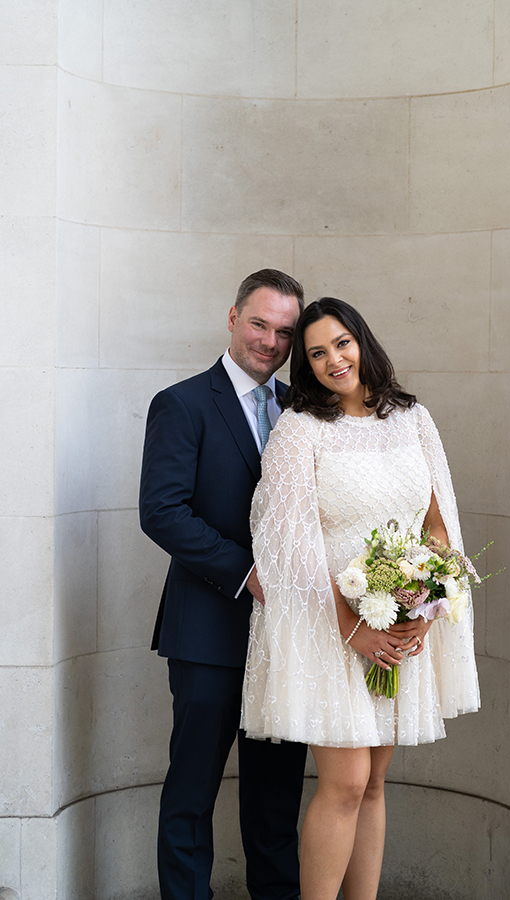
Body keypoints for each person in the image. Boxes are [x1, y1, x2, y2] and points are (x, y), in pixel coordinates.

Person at [241, 297, 480, 900]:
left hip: (399, 628)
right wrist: (354, 628)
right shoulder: (299, 430)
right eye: (316, 352)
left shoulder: (413, 419)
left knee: (374, 783)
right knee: (344, 784)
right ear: (306, 365)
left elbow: (437, 525)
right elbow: (285, 545)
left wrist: (422, 612)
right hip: (330, 627)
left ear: (362, 341)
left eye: (341, 343)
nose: (333, 360)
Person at [139, 269, 308, 900]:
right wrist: (247, 573)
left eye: (283, 332)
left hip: (287, 640)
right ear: (232, 317)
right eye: (260, 324)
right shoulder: (181, 404)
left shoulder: (301, 408)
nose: (269, 341)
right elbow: (162, 512)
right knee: (191, 796)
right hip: (207, 633)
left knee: (276, 802)